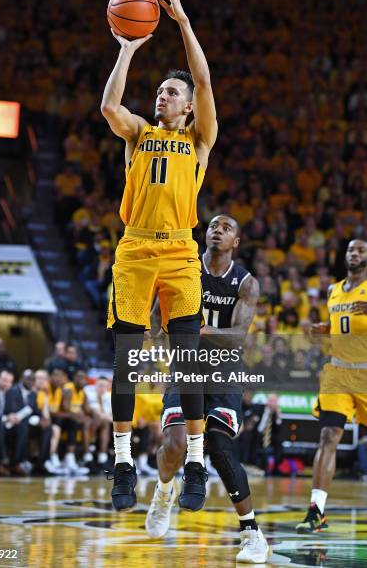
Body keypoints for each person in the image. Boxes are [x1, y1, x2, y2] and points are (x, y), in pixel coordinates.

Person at [101, 0, 217, 511]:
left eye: (171, 93)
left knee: (187, 360)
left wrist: (184, 24)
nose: (162, 95)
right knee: (127, 359)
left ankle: (197, 461)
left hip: (178, 253)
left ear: (189, 108)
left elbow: (202, 78)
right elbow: (109, 105)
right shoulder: (138, 135)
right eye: (160, 92)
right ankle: (122, 461)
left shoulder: (199, 140)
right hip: (135, 250)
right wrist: (127, 49)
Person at [145, 215, 269, 563]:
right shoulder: (184, 271)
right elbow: (156, 318)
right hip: (184, 366)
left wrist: (195, 332)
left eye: (227, 228)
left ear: (236, 242)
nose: (218, 230)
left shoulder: (245, 283)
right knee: (175, 444)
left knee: (220, 448)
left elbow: (237, 338)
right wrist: (161, 342)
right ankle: (164, 491)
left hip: (224, 373)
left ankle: (252, 533)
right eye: (214, 225)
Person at [296, 239, 367, 533]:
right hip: (337, 373)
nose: (355, 253)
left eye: (361, 250)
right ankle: (317, 511)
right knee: (328, 437)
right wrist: (323, 330)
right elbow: (340, 325)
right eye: (351, 249)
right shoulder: (333, 291)